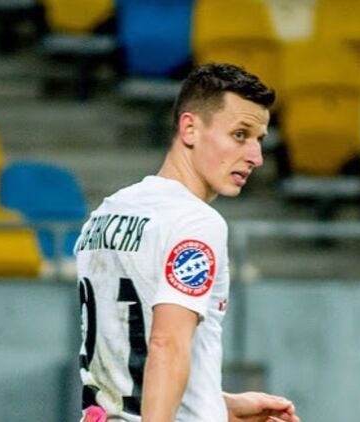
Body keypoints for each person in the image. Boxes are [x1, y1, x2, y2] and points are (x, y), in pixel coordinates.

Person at [74, 63, 301, 422]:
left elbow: (128, 366)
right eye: (240, 135)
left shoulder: (105, 214)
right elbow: (167, 344)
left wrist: (219, 405)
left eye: (259, 140)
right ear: (190, 128)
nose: (256, 157)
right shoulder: (195, 222)